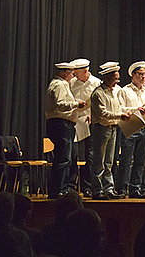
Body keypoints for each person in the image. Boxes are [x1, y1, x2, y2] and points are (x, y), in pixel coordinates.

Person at [44, 61, 86, 199]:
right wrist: (77, 104)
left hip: (61, 124)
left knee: (65, 158)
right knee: (63, 159)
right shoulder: (60, 85)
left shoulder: (59, 84)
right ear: (66, 73)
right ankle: (58, 190)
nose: (73, 76)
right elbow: (60, 105)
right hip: (61, 124)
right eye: (72, 73)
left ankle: (60, 189)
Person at [89, 62, 129, 200]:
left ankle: (109, 188)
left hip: (113, 129)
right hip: (101, 128)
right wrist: (120, 116)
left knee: (109, 161)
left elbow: (120, 109)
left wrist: (132, 111)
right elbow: (102, 114)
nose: (117, 81)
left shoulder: (115, 91)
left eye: (118, 78)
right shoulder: (98, 93)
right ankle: (97, 189)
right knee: (99, 160)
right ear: (106, 77)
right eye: (114, 78)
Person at [117, 61, 145, 198]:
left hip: (144, 128)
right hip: (130, 127)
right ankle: (122, 188)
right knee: (126, 161)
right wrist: (135, 109)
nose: (143, 77)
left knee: (140, 161)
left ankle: (135, 189)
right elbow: (119, 109)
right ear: (133, 75)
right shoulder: (124, 91)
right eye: (140, 74)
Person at [69, 58, 100, 198]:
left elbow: (99, 104)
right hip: (74, 122)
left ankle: (88, 186)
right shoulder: (71, 83)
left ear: (85, 71)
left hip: (90, 123)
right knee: (72, 155)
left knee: (90, 155)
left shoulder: (96, 83)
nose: (74, 74)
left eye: (77, 72)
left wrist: (92, 115)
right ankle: (71, 186)